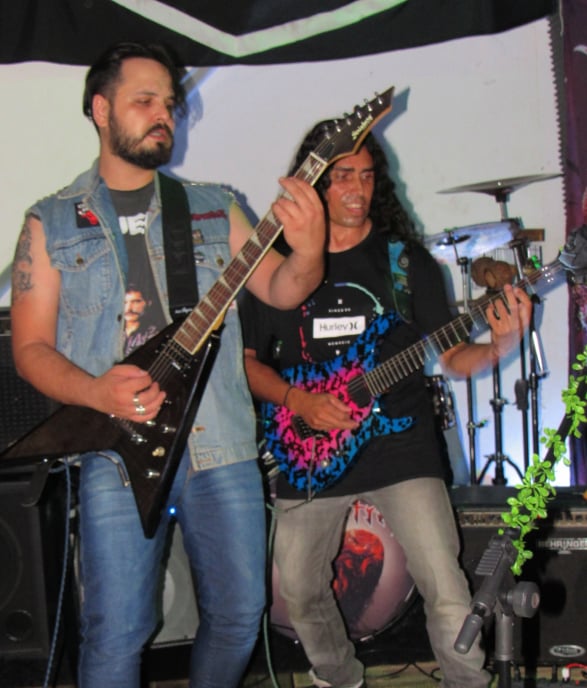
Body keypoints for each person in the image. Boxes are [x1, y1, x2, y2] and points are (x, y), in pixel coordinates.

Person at [9, 41, 325, 688]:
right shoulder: (51, 223)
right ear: (101, 109)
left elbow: (283, 288)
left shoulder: (213, 205)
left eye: (171, 105)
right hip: (114, 450)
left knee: (239, 617)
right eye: (145, 101)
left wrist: (310, 249)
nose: (164, 115)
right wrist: (96, 392)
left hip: (220, 443)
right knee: (117, 633)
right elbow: (30, 349)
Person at [240, 123, 532, 688]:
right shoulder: (275, 265)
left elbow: (454, 357)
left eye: (368, 177)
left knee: (446, 585)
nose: (358, 190)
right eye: (343, 177)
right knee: (298, 589)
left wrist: (501, 345)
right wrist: (300, 400)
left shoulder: (405, 263)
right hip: (309, 445)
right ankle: (339, 676)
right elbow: (248, 364)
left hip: (400, 445)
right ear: (314, 183)